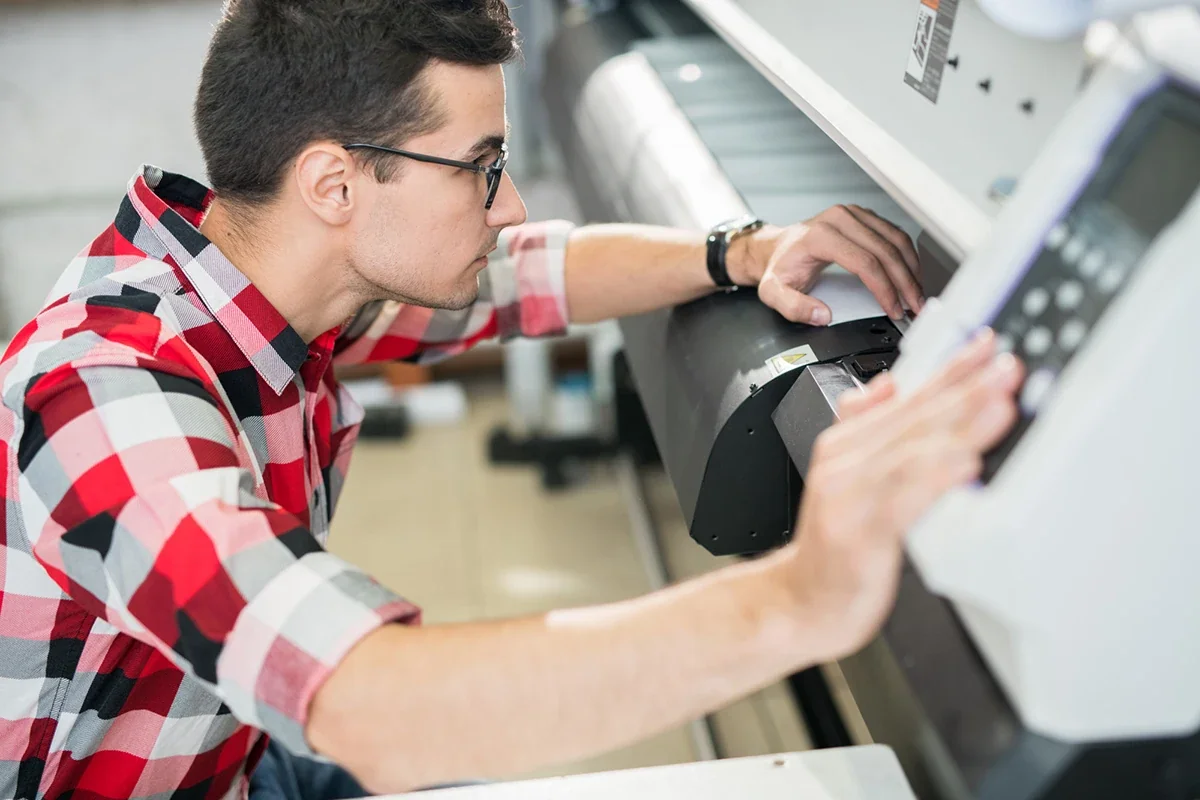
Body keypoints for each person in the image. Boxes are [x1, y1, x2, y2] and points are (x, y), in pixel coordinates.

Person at [0, 1, 1023, 798]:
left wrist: (744, 252)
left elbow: (536, 273)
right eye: (482, 169)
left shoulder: (276, 281)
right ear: (334, 184)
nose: (512, 200)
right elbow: (370, 704)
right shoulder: (105, 395)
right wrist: (805, 593)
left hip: (222, 759)